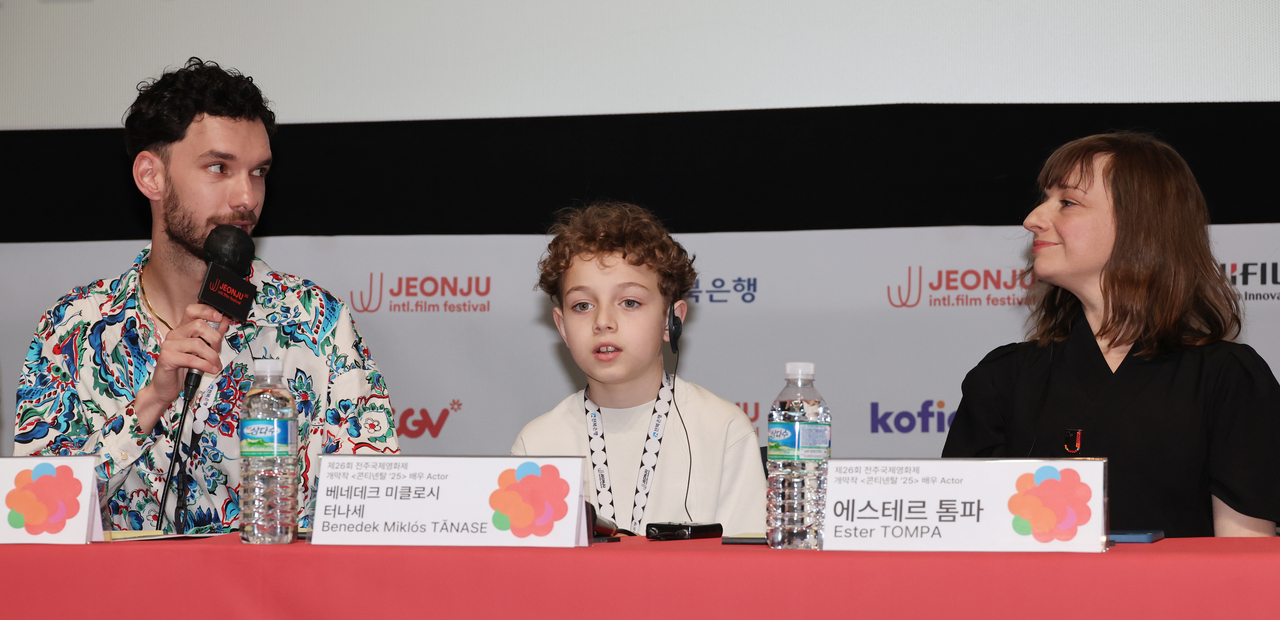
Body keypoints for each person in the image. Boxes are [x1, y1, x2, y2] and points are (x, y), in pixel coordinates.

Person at [13, 58, 399, 534]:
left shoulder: (314, 320)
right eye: (219, 167)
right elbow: (32, 521)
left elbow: (371, 515)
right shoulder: (74, 328)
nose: (247, 197)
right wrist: (148, 404)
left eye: (258, 172)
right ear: (151, 176)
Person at [942, 132, 1280, 537]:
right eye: (1044, 199)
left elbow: (1240, 565)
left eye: (1067, 202)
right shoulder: (1004, 378)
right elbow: (962, 543)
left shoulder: (1226, 379)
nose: (1033, 218)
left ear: (1140, 223)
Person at [512, 202, 766, 536]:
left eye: (629, 302)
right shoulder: (538, 444)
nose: (603, 322)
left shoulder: (724, 431)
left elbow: (746, 574)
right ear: (562, 327)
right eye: (582, 306)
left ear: (670, 321)